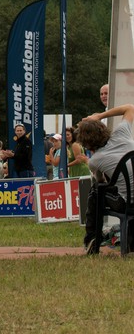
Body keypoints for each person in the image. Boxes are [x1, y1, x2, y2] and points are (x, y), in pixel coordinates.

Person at [76, 103, 134, 254]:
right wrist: (99, 116)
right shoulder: (122, 133)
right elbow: (130, 107)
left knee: (96, 191)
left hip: (127, 203)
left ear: (86, 143)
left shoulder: (96, 160)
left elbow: (101, 182)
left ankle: (92, 239)